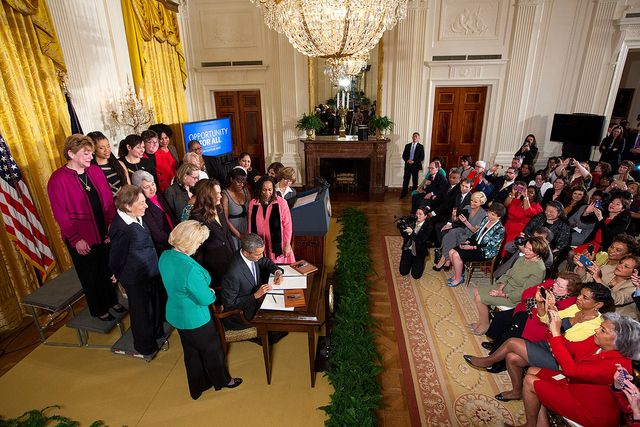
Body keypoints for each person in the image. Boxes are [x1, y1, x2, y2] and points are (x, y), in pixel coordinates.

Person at [464, 282, 612, 403]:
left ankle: (487, 361)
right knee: (512, 357)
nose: (578, 298)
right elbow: (545, 319)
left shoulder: (594, 326)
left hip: (562, 359)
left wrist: (554, 324)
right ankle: (516, 391)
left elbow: (566, 346)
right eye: (580, 294)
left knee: (512, 343)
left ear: (598, 305)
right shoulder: (576, 308)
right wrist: (542, 304)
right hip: (551, 345)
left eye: (585, 297)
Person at [504, 313, 640, 427]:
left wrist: (557, 332)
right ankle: (541, 423)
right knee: (533, 370)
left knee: (529, 381)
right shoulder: (597, 342)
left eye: (603, 330)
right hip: (574, 387)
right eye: (600, 327)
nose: (596, 330)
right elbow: (569, 347)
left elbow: (571, 370)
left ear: (620, 342)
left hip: (590, 411)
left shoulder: (616, 365)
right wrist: (553, 328)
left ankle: (530, 425)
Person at [159, 221, 242, 400]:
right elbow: (206, 299)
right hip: (195, 319)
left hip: (177, 314)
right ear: (189, 242)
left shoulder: (165, 255)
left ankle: (198, 387)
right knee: (213, 350)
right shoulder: (190, 269)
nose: (199, 246)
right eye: (198, 242)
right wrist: (210, 292)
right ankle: (223, 381)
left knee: (191, 352)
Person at [47, 134, 122, 320]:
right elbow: (60, 215)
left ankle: (112, 300)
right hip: (81, 237)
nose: (90, 156)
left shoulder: (95, 171)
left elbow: (108, 201)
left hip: (103, 230)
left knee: (107, 268)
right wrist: (76, 240)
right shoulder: (57, 179)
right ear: (71, 154)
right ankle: (99, 309)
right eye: (86, 153)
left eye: (90, 153)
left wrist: (111, 224)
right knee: (90, 274)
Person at [483, 271, 581, 372]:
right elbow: (527, 292)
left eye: (559, 286)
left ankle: (496, 362)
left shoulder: (570, 303)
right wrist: (535, 306)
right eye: (556, 282)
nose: (555, 285)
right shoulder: (549, 283)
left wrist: (534, 305)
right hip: (525, 311)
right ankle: (495, 343)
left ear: (569, 291)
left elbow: (546, 319)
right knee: (499, 318)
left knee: (509, 335)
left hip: (538, 327)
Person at [109, 185, 165, 355]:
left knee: (154, 305)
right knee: (141, 312)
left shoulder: (136, 216)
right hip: (136, 277)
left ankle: (156, 333)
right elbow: (117, 254)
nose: (146, 206)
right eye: (141, 203)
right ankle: (144, 345)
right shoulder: (121, 227)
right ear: (127, 205)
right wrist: (115, 273)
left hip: (150, 271)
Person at [468, 236, 548, 334]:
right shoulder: (523, 258)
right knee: (476, 292)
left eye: (530, 250)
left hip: (514, 297)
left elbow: (525, 292)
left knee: (480, 298)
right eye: (526, 247)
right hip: (505, 287)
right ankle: (480, 322)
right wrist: (500, 289)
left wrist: (502, 295)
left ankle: (485, 325)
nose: (525, 251)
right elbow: (509, 273)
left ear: (538, 252)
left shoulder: (539, 269)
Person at [220, 233, 287, 345]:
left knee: (281, 317)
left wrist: (277, 272)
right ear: (246, 253)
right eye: (258, 254)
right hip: (242, 314)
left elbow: (265, 261)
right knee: (277, 327)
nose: (261, 256)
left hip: (255, 301)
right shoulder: (233, 274)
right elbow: (229, 304)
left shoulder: (250, 255)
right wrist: (256, 295)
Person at [445, 202, 506, 287]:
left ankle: (459, 278)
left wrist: (471, 247)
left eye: (493, 215)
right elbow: (477, 233)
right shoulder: (486, 219)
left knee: (456, 255)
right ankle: (458, 274)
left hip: (485, 251)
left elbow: (489, 246)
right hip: (476, 244)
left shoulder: (500, 229)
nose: (489, 215)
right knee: (451, 251)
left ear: (499, 217)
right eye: (489, 212)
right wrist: (468, 241)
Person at [190, 179, 236, 289]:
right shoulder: (196, 216)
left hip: (228, 257)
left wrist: (234, 255)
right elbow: (198, 248)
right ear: (207, 196)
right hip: (212, 264)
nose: (220, 196)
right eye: (217, 194)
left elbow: (227, 234)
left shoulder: (219, 209)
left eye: (220, 192)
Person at [432, 191, 487, 271]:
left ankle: (444, 260)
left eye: (475, 202)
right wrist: (454, 216)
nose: (472, 203)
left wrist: (466, 222)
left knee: (449, 236)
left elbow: (475, 230)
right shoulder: (468, 207)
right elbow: (455, 220)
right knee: (452, 232)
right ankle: (447, 260)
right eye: (472, 200)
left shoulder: (483, 214)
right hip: (463, 230)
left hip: (471, 236)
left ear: (481, 203)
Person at [576, 253, 640, 320]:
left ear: (635, 273)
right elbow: (583, 280)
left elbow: (615, 299)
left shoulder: (634, 286)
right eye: (621, 263)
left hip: (619, 321)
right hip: (595, 312)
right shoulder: (608, 269)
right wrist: (581, 267)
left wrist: (598, 279)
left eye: (626, 266)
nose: (620, 266)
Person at [248, 176, 295, 263]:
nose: (267, 193)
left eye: (270, 189)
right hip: (260, 245)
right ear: (259, 189)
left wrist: (287, 244)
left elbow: (287, 225)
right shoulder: (253, 204)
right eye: (264, 190)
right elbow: (251, 226)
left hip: (278, 245)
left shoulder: (281, 203)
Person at [131, 170, 176, 256]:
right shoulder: (143, 205)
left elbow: (171, 215)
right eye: (146, 187)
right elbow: (157, 234)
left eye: (153, 184)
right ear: (138, 189)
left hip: (174, 236)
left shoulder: (158, 195)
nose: (152, 189)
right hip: (164, 246)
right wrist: (175, 242)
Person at [502, 183, 543, 256]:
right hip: (508, 226)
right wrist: (512, 193)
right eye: (527, 191)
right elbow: (506, 204)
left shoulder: (537, 207)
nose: (529, 193)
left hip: (519, 230)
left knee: (507, 245)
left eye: (531, 192)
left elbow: (528, 213)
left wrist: (525, 197)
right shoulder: (518, 201)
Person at [87, 131, 129, 198]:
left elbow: (128, 187)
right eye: (102, 148)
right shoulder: (90, 170)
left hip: (124, 203)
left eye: (108, 146)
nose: (107, 150)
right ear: (93, 150)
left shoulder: (119, 164)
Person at [398, 207, 432, 279]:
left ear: (425, 216)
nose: (417, 216)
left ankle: (414, 263)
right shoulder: (411, 221)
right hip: (408, 250)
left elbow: (420, 240)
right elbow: (404, 235)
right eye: (417, 213)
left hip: (418, 253)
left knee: (416, 276)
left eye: (420, 214)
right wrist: (402, 227)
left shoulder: (429, 227)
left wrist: (412, 233)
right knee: (403, 272)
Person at [221, 168, 249, 251]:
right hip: (233, 230)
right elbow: (225, 219)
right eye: (239, 182)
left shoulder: (245, 190)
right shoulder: (224, 195)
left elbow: (250, 211)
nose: (241, 185)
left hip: (247, 227)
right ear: (231, 179)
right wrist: (239, 234)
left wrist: (249, 229)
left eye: (243, 182)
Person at [141, 129, 175, 194]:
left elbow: (172, 172)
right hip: (153, 193)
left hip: (169, 190)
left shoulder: (163, 154)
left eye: (156, 142)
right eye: (151, 142)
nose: (154, 145)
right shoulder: (141, 157)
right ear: (144, 143)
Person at [400, 132, 425, 199]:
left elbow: (422, 157)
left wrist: (414, 161)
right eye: (414, 136)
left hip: (415, 166)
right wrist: (407, 160)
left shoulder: (421, 147)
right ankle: (403, 193)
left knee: (415, 180)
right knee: (406, 180)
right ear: (412, 137)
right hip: (408, 165)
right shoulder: (407, 146)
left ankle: (414, 194)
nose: (414, 138)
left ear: (418, 138)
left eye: (416, 137)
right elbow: (404, 155)